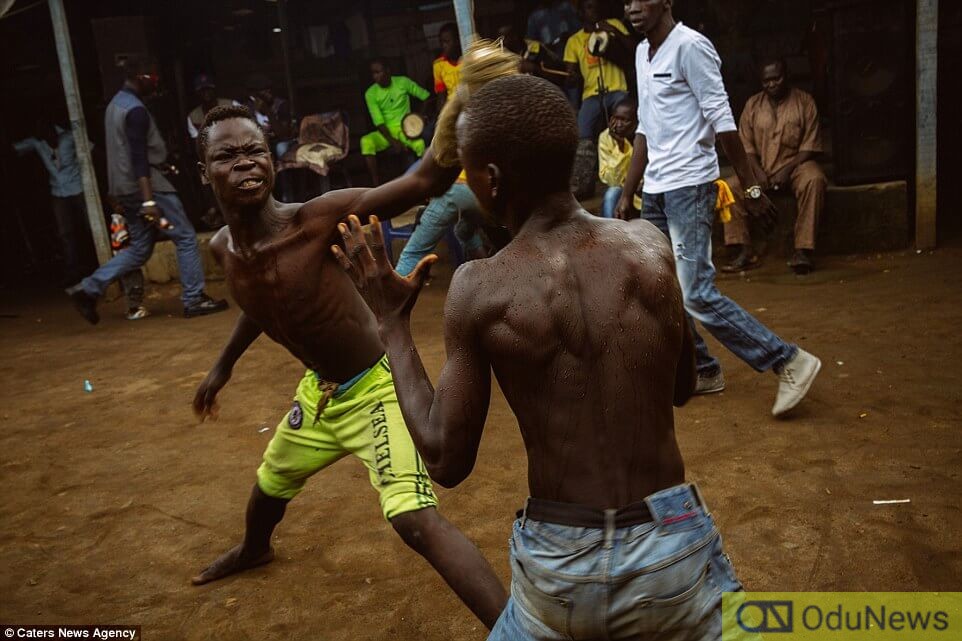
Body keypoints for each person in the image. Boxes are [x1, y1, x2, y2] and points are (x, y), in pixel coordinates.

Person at [331, 74, 743, 641]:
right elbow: (681, 388)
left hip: (561, 563)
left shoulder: (481, 287)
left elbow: (446, 459)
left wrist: (392, 323)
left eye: (468, 173)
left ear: (493, 180)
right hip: (672, 540)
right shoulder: (648, 246)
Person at [189, 105, 507, 629]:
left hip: (377, 389)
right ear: (205, 171)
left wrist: (459, 106)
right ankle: (254, 550)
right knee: (270, 484)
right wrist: (222, 367)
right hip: (320, 393)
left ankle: (511, 628)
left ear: (273, 162)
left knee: (413, 518)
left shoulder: (314, 220)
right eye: (227, 155)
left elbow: (423, 180)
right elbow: (259, 300)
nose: (245, 163)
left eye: (255, 151)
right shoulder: (226, 249)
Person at [617, 0, 820, 415]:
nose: (633, 8)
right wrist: (628, 191)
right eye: (626, 1)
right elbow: (644, 125)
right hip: (655, 188)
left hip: (690, 185)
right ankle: (705, 369)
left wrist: (751, 186)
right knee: (663, 288)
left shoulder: (691, 47)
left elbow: (722, 119)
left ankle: (788, 360)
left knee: (695, 293)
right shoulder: (642, 52)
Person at [65, 55, 227, 325]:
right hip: (149, 191)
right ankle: (194, 299)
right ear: (141, 77)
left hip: (126, 190)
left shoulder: (115, 106)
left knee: (140, 248)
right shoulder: (136, 111)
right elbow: (138, 156)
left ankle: (88, 288)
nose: (156, 81)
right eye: (153, 77)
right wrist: (149, 200)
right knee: (185, 236)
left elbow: (116, 153)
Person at [721, 58, 827, 275]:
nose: (771, 84)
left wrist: (786, 170)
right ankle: (744, 250)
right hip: (760, 169)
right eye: (766, 81)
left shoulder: (805, 102)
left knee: (814, 179)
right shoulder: (752, 105)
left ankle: (803, 250)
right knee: (728, 187)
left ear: (786, 76)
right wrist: (758, 174)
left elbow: (810, 147)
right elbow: (746, 147)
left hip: (796, 166)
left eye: (776, 79)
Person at [13, 116, 94, 285]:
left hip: (78, 188)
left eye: (49, 136)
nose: (48, 141)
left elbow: (91, 149)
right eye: (43, 138)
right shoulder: (37, 142)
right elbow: (14, 149)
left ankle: (99, 262)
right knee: (65, 233)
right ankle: (72, 271)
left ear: (54, 131)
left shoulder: (69, 137)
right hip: (58, 192)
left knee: (91, 226)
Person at [563, 0, 632, 141]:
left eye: (596, 6)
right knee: (582, 133)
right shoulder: (574, 40)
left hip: (618, 89)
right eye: (589, 7)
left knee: (624, 127)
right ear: (581, 13)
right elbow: (570, 75)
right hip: (591, 95)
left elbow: (634, 49)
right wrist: (571, 77)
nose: (594, 10)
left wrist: (614, 31)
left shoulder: (613, 23)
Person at [359, 59, 431, 186]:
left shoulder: (402, 82)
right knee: (366, 141)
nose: (375, 76)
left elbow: (425, 96)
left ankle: (427, 181)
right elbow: (378, 121)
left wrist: (419, 117)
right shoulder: (371, 93)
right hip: (385, 132)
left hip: (405, 129)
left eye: (378, 72)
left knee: (420, 145)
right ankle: (376, 185)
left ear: (387, 71)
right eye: (373, 73)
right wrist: (393, 141)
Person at [597, 98, 642, 218]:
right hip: (623, 196)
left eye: (624, 120)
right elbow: (612, 181)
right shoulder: (606, 138)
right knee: (612, 193)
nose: (618, 124)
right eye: (616, 118)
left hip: (644, 196)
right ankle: (610, 234)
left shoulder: (644, 137)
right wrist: (620, 147)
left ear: (637, 121)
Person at [186, 73, 237, 141]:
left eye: (208, 89)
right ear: (197, 93)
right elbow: (198, 143)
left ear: (214, 89)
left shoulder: (232, 105)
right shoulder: (193, 117)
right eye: (202, 90)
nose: (206, 93)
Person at [433, 23, 462, 118]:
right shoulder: (438, 65)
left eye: (447, 42)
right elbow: (441, 95)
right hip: (453, 110)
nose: (443, 46)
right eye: (441, 42)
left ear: (457, 41)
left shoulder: (469, 59)